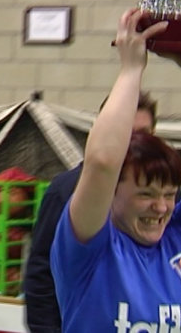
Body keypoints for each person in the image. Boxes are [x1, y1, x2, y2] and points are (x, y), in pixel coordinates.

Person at [50, 8, 181, 333]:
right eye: (145, 194)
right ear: (112, 193)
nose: (161, 207)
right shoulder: (88, 248)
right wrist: (131, 69)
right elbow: (101, 163)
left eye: (169, 194)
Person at [24, 91, 161, 333]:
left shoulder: (165, 199)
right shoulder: (66, 191)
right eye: (126, 133)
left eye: (144, 135)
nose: (136, 143)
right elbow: (41, 271)